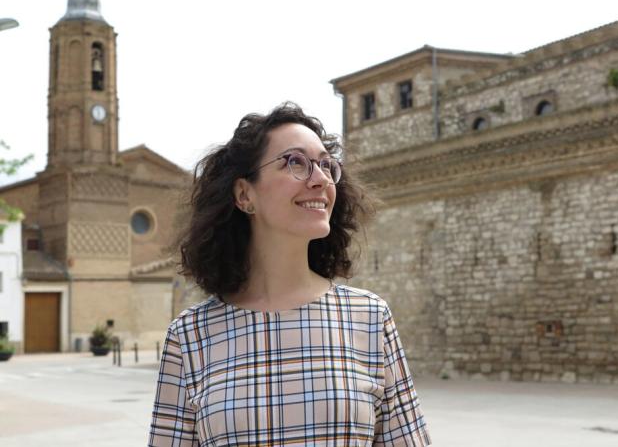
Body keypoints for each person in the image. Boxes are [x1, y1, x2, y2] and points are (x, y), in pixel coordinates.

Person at [148, 103, 431, 446]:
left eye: (326, 165)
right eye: (295, 162)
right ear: (244, 194)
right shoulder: (190, 335)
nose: (320, 179)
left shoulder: (370, 318)